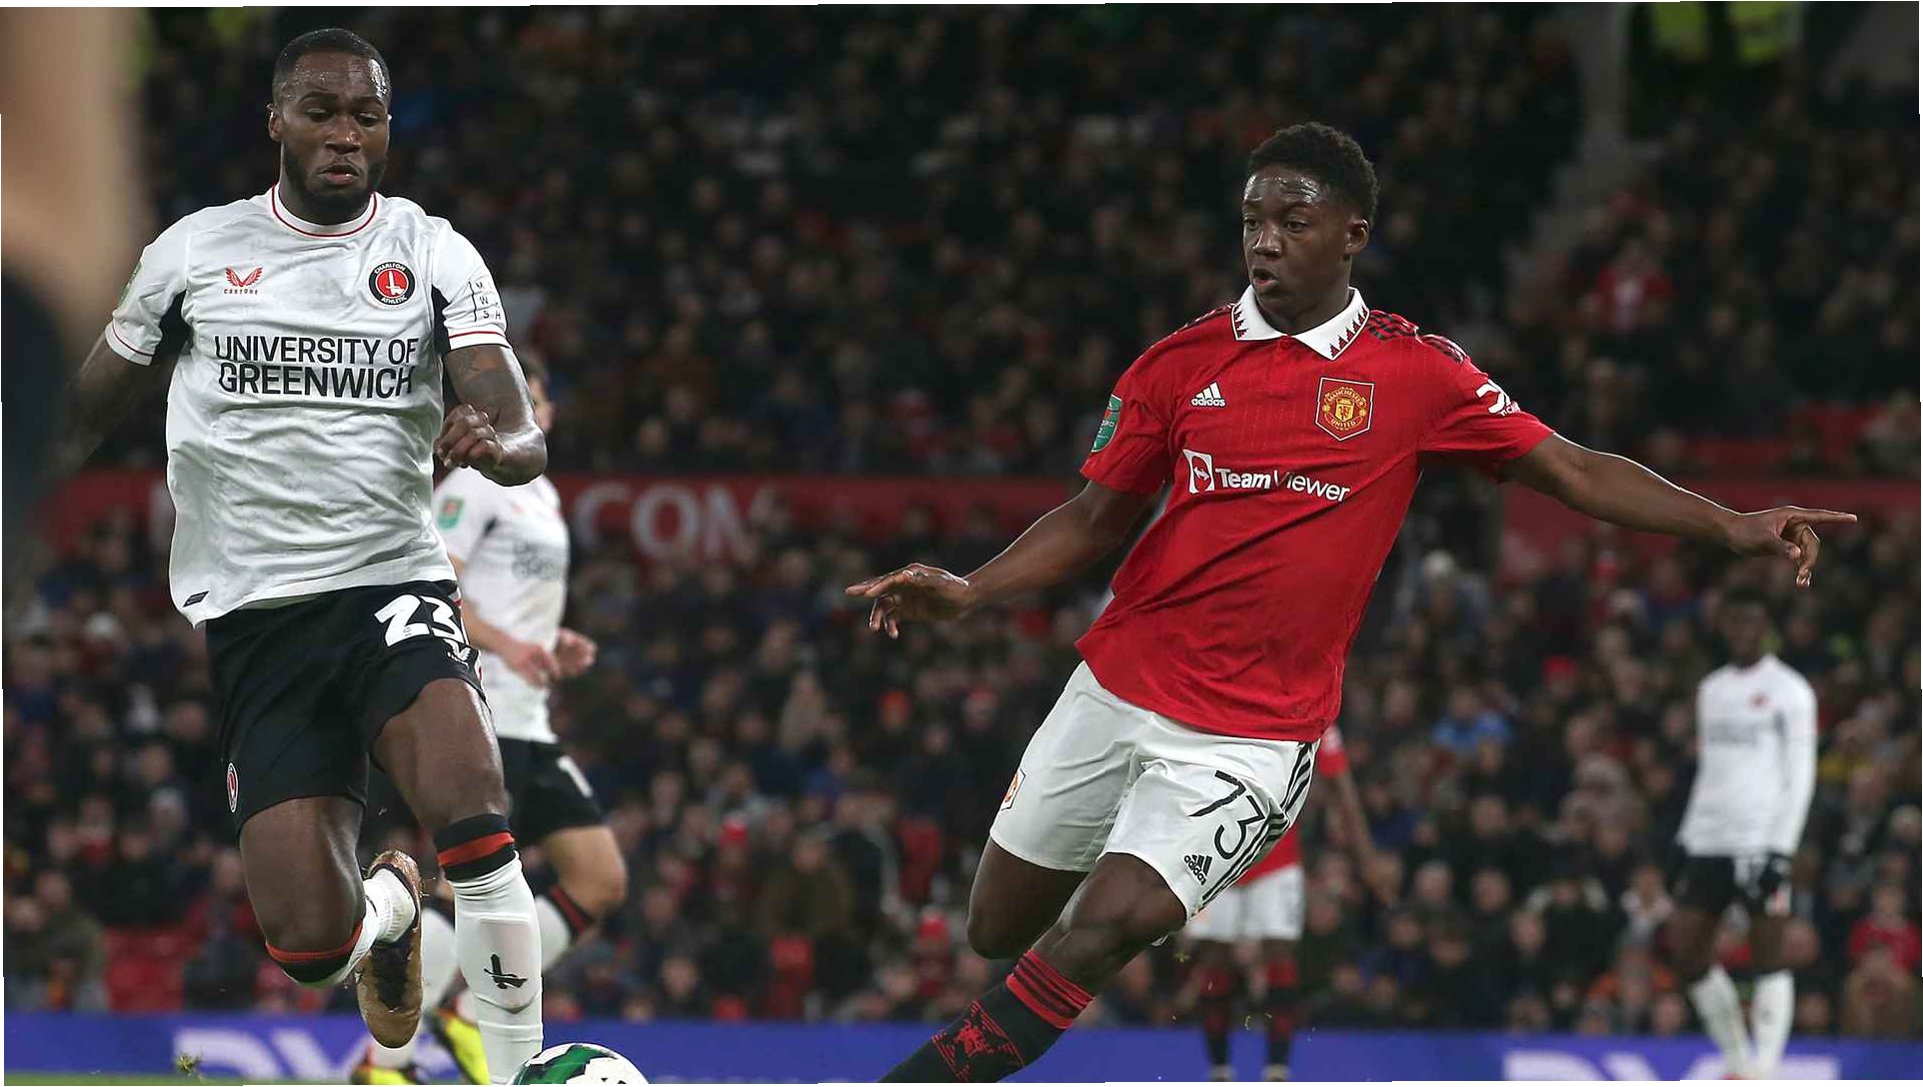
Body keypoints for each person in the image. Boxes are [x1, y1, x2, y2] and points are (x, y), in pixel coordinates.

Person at [846, 121, 1854, 1083]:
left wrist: (1730, 524)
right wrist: (972, 589)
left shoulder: (1416, 372)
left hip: (1249, 736)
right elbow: (1093, 516)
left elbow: (1577, 470)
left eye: (1292, 222)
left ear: (1351, 235)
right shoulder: (1177, 364)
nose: (1264, 242)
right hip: (1114, 685)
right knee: (996, 926)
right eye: (1252, 222)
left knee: (1102, 927)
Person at [59, 29, 547, 1084]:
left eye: (365, 116)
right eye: (321, 112)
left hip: (391, 582)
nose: (343, 135)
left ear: (387, 130)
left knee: (474, 805)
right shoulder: (194, 253)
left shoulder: (434, 254)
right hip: (255, 616)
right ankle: (394, 909)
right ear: (275, 120)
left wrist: (497, 443)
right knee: (311, 947)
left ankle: (520, 1072)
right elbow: (83, 413)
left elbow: (519, 426)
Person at [357, 357, 626, 1085]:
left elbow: (505, 598)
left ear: (547, 411)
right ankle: (383, 1064)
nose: (517, 407)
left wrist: (550, 642)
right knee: (465, 888)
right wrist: (506, 646)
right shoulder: (472, 485)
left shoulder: (543, 495)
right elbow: (437, 584)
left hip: (530, 716)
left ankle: (468, 1016)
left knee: (599, 877)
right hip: (484, 707)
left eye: (529, 396)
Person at [1669, 588, 1818, 1079]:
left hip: (1760, 840)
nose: (1741, 631)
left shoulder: (1791, 690)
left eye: (1750, 621)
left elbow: (1801, 773)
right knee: (1687, 952)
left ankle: (1765, 1069)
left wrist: (1781, 848)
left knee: (1768, 954)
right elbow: (1711, 770)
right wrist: (1687, 836)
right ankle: (1735, 1061)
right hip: (1710, 840)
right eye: (1733, 621)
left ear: (1766, 628)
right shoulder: (1712, 690)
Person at [1184, 725, 1385, 1081]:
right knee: (1213, 955)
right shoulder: (1227, 706)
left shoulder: (1314, 715)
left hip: (1276, 859)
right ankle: (1218, 1069)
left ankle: (1277, 1068)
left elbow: (1341, 785)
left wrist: (1366, 855)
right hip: (1214, 855)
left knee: (1278, 951)